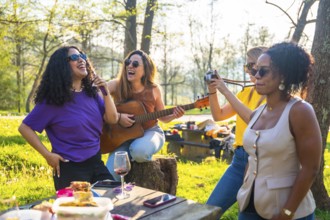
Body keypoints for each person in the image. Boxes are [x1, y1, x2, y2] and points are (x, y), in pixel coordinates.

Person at [237, 42, 322, 219]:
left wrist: (287, 213)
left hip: (289, 212)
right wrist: (244, 189)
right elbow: (253, 155)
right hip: (249, 206)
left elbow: (310, 168)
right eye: (254, 70)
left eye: (263, 71)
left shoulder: (300, 111)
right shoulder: (258, 112)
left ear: (283, 75)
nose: (256, 76)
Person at [18, 46, 118, 191]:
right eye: (74, 58)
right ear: (62, 66)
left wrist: (106, 92)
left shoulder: (92, 93)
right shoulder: (53, 100)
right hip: (70, 168)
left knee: (112, 200)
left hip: (96, 163)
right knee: (79, 212)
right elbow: (24, 128)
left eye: (82, 56)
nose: (81, 60)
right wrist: (47, 155)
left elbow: (112, 119)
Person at [105, 50, 185, 180]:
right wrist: (118, 117)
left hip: (150, 132)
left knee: (139, 152)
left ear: (145, 70)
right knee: (109, 176)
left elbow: (163, 118)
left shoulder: (154, 89)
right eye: (127, 62)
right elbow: (94, 98)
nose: (130, 66)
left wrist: (174, 115)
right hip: (123, 137)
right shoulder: (116, 85)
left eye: (135, 64)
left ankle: (133, 153)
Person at [206, 46, 267, 214]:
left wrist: (225, 90)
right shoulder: (245, 93)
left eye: (252, 65)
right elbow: (218, 115)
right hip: (239, 160)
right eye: (247, 66)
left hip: (259, 162)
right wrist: (212, 91)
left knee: (249, 213)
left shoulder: (273, 95)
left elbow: (254, 120)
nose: (249, 70)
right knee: (210, 209)